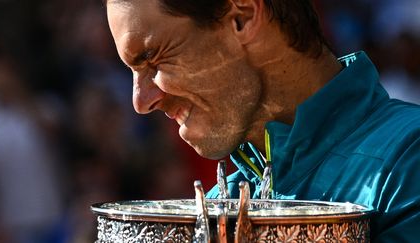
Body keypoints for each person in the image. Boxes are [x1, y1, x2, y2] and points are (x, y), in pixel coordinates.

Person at [104, 0, 420, 241]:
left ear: (243, 17)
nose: (140, 101)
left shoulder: (409, 160)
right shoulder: (217, 205)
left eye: (153, 57)